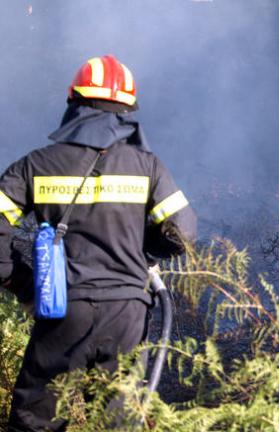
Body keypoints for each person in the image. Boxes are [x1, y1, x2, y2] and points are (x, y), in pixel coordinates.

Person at [0, 54, 197, 431]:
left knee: (35, 421)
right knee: (117, 424)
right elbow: (183, 232)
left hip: (62, 310)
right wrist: (148, 255)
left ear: (74, 102)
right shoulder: (148, 166)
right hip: (127, 315)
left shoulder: (36, 164)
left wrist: (23, 286)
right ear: (127, 111)